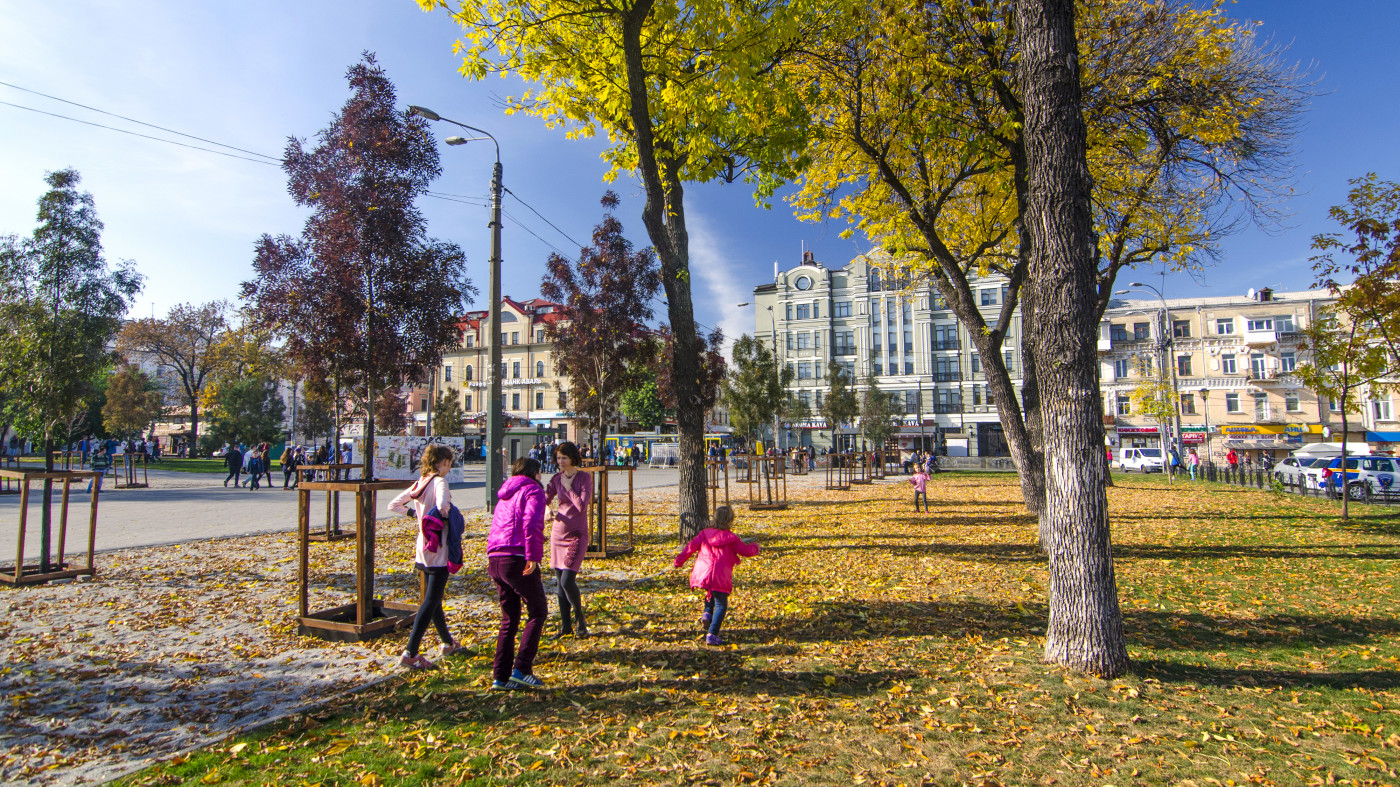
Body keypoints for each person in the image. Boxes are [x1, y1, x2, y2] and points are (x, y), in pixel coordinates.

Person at [387, 444, 467, 670]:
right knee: (431, 600)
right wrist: (445, 517)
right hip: (439, 547)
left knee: (434, 598)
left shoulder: (420, 482)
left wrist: (417, 515)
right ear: (442, 462)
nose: (449, 468)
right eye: (448, 463)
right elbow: (443, 506)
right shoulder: (440, 482)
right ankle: (410, 652)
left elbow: (394, 504)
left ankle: (447, 643)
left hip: (422, 546)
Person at [486, 457, 549, 690]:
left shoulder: (505, 493)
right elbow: (532, 523)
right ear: (536, 473)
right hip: (517, 556)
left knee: (509, 617)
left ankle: (500, 676)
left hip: (496, 558)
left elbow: (498, 525)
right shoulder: (533, 490)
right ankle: (522, 669)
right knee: (538, 610)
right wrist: (533, 556)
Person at [673, 505, 760, 646]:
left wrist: (679, 561)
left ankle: (707, 613)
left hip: (703, 571)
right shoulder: (732, 539)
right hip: (720, 575)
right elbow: (746, 551)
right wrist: (755, 547)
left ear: (715, 518)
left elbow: (690, 547)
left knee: (710, 592)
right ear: (730, 521)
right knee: (721, 605)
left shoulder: (704, 534)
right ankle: (712, 634)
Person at [546, 441, 592, 639]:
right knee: (559, 582)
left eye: (564, 458)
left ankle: (580, 620)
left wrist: (568, 488)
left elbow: (581, 506)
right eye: (558, 458)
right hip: (558, 534)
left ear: (573, 458)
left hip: (577, 535)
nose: (560, 462)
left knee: (567, 580)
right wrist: (547, 508)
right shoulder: (556, 478)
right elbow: (544, 497)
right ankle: (566, 627)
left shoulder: (584, 478)